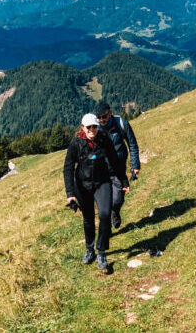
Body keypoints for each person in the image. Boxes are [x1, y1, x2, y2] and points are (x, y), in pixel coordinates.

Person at [63, 113, 129, 272]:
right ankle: (89, 249)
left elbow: (114, 160)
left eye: (95, 126)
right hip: (82, 185)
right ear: (82, 128)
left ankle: (101, 252)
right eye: (88, 127)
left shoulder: (104, 139)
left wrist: (124, 181)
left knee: (105, 214)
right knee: (88, 218)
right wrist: (70, 193)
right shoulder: (76, 143)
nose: (92, 130)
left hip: (102, 182)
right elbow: (68, 167)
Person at [94, 101, 140, 229]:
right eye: (99, 117)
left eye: (104, 116)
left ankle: (115, 211)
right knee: (104, 204)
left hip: (118, 170)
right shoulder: (94, 128)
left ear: (110, 113)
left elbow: (132, 144)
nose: (102, 120)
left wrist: (135, 165)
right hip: (101, 171)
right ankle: (106, 230)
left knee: (117, 200)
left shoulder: (121, 123)